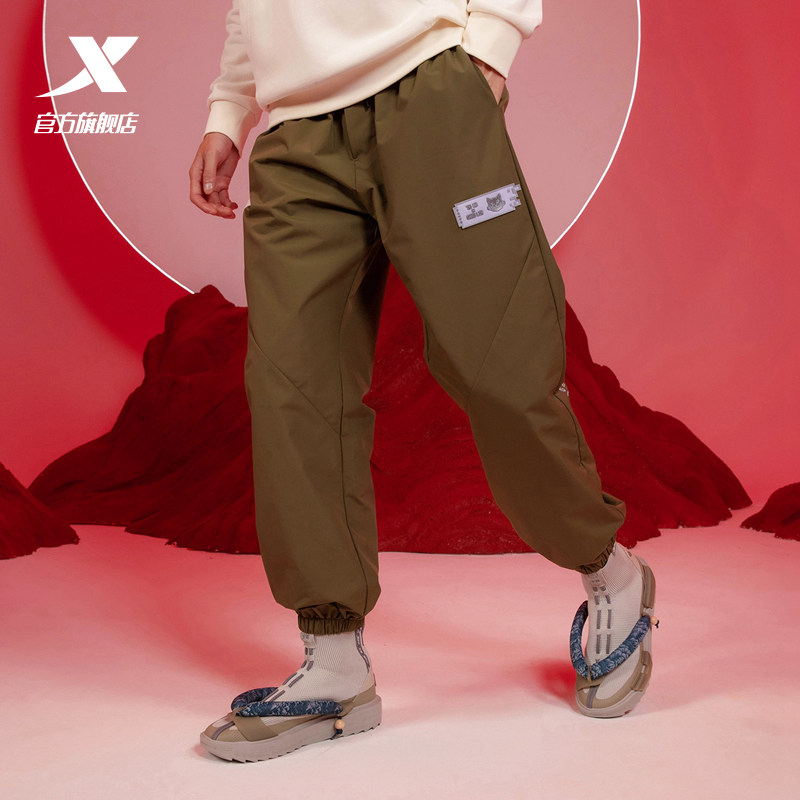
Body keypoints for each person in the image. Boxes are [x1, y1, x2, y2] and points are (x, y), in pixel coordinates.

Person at [189, 0, 656, 763]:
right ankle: (334, 662)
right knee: (292, 392)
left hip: (425, 86)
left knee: (498, 366)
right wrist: (228, 110)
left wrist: (490, 47)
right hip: (295, 129)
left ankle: (610, 571)